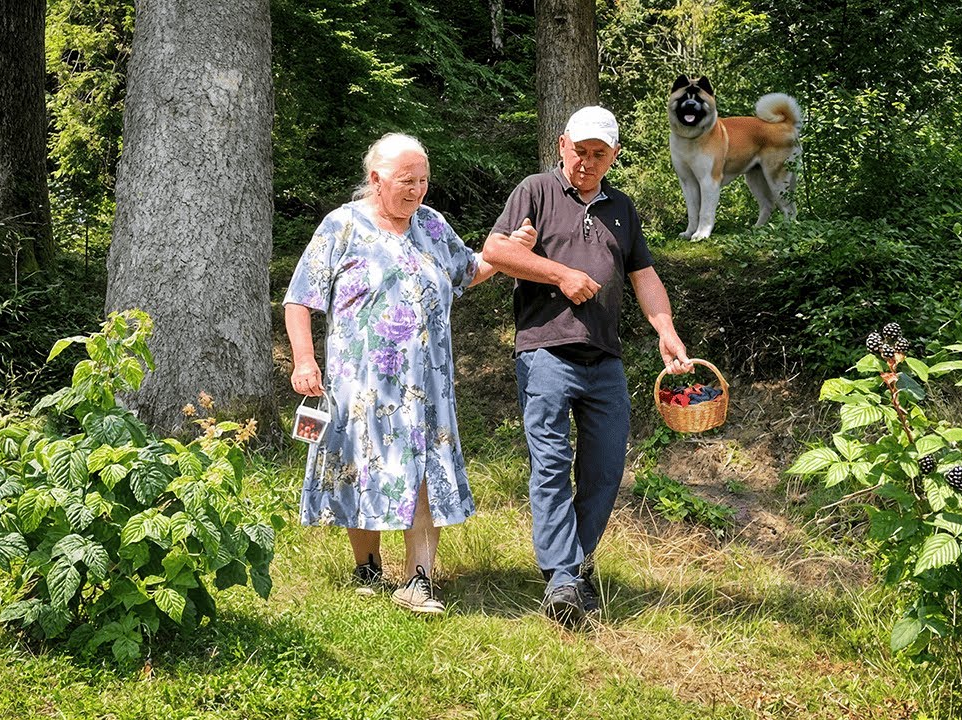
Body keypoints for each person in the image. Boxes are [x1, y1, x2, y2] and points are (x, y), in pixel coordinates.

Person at [284, 132, 533, 615]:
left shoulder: (432, 225)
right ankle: (368, 567)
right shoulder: (342, 226)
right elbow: (300, 298)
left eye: (422, 180)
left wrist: (510, 251)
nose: (417, 190)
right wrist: (304, 359)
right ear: (376, 179)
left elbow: (469, 269)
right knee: (359, 467)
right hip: (361, 385)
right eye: (406, 181)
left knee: (423, 470)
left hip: (428, 386)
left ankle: (419, 580)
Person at [481, 106, 693, 626]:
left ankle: (573, 564)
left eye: (599, 153)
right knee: (551, 465)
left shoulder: (622, 207)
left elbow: (644, 275)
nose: (587, 162)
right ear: (562, 145)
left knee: (604, 469)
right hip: (545, 351)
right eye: (580, 151)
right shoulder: (536, 191)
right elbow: (495, 250)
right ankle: (562, 579)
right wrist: (560, 275)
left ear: (614, 155)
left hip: (605, 359)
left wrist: (665, 330)